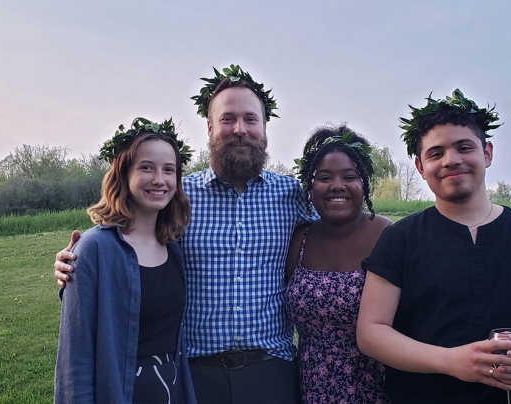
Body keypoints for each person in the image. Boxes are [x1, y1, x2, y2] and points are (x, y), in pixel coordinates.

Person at [54, 65, 316, 404]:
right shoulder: (177, 198)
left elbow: (342, 225)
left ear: (265, 127)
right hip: (192, 376)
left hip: (272, 373)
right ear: (209, 126)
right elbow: (123, 240)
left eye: (250, 119)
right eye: (228, 119)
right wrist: (74, 268)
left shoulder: (293, 196)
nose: (240, 129)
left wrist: (387, 238)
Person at [356, 89, 511, 403]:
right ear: (420, 166)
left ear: (487, 153)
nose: (451, 160)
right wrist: (451, 361)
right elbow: (371, 332)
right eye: (436, 153)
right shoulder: (401, 239)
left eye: (464, 147)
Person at [54, 117, 197, 404]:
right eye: (147, 167)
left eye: (168, 170)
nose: (159, 179)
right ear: (123, 173)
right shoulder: (94, 249)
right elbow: (75, 358)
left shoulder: (174, 247)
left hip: (172, 390)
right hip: (123, 393)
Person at [285, 124, 392, 403]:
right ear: (310, 185)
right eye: (324, 177)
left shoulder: (386, 236)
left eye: (349, 176)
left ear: (363, 183)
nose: (337, 186)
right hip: (311, 389)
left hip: (376, 391)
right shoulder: (299, 240)